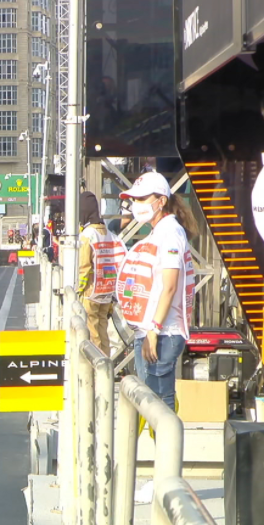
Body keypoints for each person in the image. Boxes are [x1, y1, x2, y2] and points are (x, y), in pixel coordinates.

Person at [115, 172, 197, 411]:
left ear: (161, 201)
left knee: (158, 403)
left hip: (163, 332)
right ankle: (158, 445)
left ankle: (165, 447)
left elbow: (170, 285)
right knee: (151, 401)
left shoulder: (170, 233)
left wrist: (154, 330)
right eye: (134, 199)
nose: (135, 204)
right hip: (150, 331)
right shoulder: (158, 232)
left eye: (141, 199)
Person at [77, 192, 125, 354]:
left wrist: (78, 291)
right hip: (107, 292)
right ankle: (107, 368)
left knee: (92, 335)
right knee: (103, 333)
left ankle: (97, 372)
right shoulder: (108, 234)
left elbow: (84, 268)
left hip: (91, 293)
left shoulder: (87, 236)